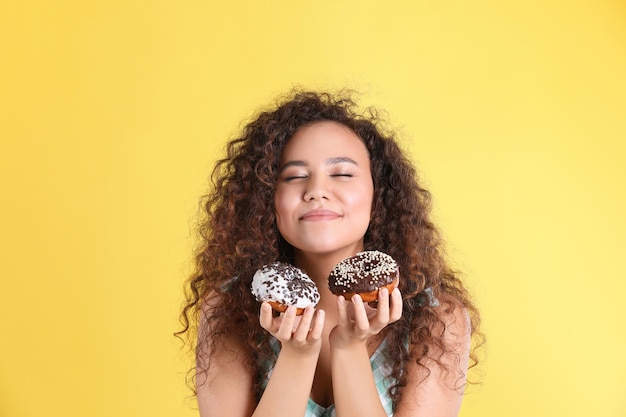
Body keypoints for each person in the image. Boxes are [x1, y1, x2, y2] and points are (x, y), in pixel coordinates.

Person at [177, 90, 482, 417]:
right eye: (294, 177)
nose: (316, 191)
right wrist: (296, 356)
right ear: (268, 200)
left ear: (378, 195)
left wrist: (349, 348)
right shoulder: (228, 307)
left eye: (342, 174)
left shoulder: (436, 318)